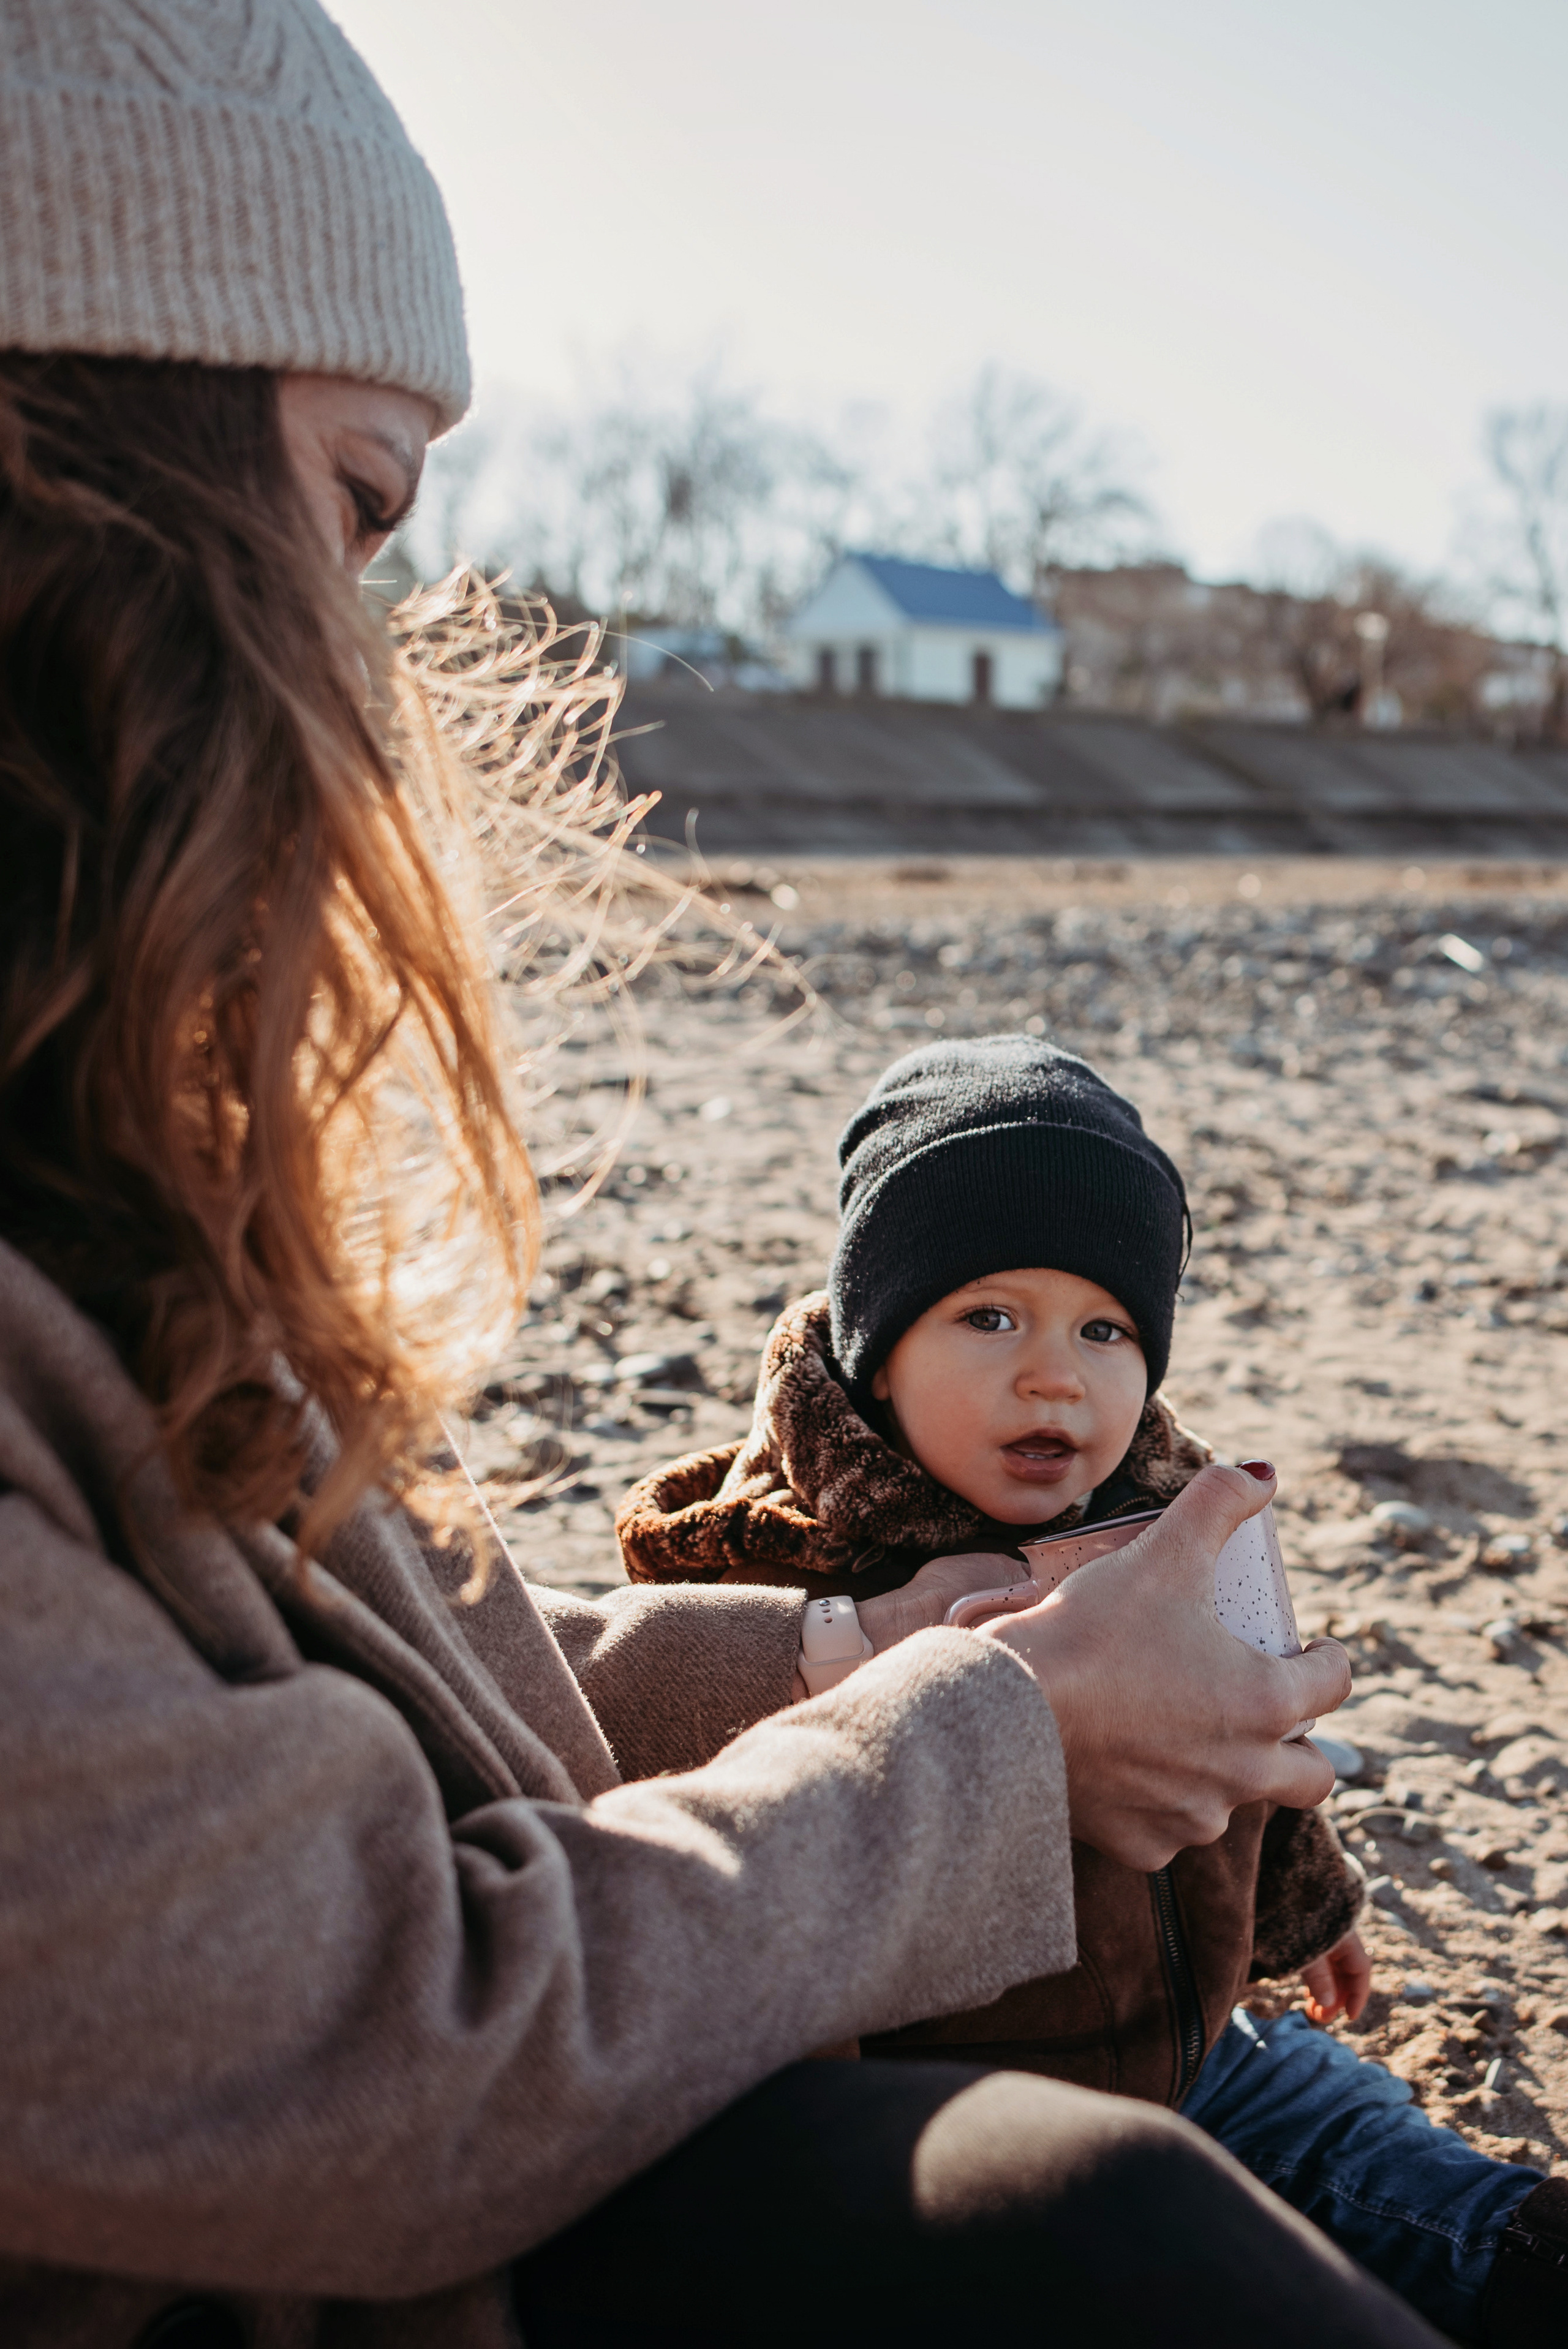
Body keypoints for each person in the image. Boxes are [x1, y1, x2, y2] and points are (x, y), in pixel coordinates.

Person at [0, 6, 1507, 2347]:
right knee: (1098, 2219)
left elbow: (302, 1711)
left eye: (1105, 1325)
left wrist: (843, 1657)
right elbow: (377, 2015)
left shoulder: (86, 1162)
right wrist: (985, 1740)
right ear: (69, 488)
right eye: (364, 506)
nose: (382, 663)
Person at [618, 1034, 1568, 2342]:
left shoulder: (1172, 1524)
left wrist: (1307, 1897)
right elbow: (692, 1768)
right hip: (947, 2101)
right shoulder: (776, 1552)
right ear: (876, 1346)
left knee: (1415, 2183)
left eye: (1105, 1327)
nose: (1054, 1372)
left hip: (1194, 2054)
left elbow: (1245, 1726)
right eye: (988, 1316)